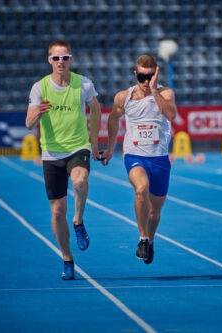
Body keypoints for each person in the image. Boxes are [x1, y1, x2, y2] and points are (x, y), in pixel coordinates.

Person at [25, 40, 101, 279]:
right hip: (51, 152)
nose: (60, 62)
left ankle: (78, 221)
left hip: (78, 146)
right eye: (56, 58)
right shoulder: (39, 88)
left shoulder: (84, 83)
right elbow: (28, 124)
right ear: (49, 60)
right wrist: (38, 111)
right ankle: (67, 259)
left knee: (79, 182)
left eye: (65, 57)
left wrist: (95, 142)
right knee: (58, 212)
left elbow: (97, 110)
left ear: (70, 59)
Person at [102, 54, 177, 264]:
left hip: (160, 159)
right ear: (135, 74)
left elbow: (171, 115)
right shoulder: (123, 97)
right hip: (135, 156)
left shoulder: (165, 93)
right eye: (142, 77)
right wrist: (110, 148)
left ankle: (151, 240)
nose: (145, 81)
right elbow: (113, 118)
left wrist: (154, 90)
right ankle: (143, 239)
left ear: (156, 74)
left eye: (150, 76)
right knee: (141, 189)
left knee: (154, 211)